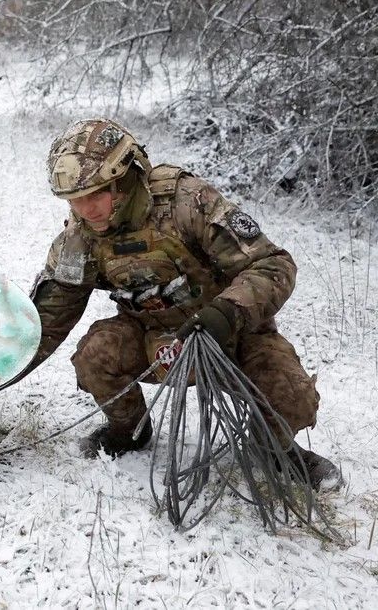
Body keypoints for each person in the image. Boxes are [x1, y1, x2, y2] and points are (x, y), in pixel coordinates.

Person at [23, 117, 341, 489]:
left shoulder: (187, 203)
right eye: (75, 200)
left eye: (96, 194)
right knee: (96, 354)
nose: (85, 209)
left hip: (230, 334)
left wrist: (227, 312)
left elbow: (273, 264)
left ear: (125, 179)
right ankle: (129, 431)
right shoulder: (80, 238)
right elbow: (48, 318)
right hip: (153, 339)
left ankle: (274, 449)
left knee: (291, 394)